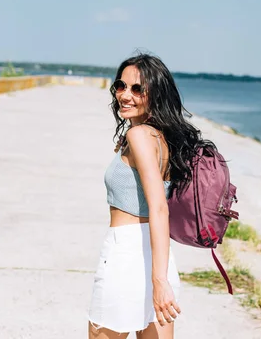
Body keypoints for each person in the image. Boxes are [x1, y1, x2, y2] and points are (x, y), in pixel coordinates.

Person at [87, 52, 214, 339]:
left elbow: (158, 207)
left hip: (126, 256)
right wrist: (162, 276)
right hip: (159, 255)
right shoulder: (159, 137)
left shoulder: (140, 136)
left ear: (154, 94)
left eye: (137, 89)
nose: (125, 95)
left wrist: (159, 282)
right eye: (121, 86)